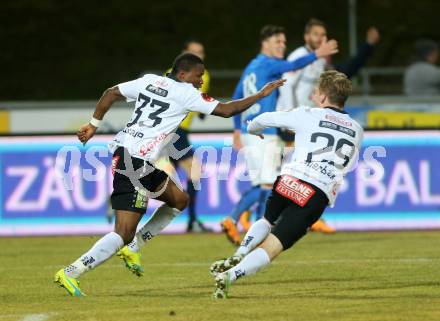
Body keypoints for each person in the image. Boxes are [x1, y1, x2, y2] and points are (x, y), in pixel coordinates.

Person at [53, 52, 286, 296]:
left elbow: (110, 92)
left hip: (131, 157)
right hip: (134, 163)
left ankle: (133, 246)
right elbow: (227, 110)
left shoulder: (149, 81)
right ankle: (71, 272)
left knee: (179, 200)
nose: (200, 81)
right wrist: (260, 95)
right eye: (198, 76)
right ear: (183, 74)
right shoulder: (186, 93)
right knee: (122, 232)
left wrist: (93, 125)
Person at [210, 70, 363, 299]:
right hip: (316, 192)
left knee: (266, 219)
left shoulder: (307, 114)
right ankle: (230, 276)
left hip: (290, 179)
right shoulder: (357, 130)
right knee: (273, 246)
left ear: (323, 98)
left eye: (316, 92)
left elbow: (263, 119)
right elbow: (348, 164)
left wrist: (254, 130)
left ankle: (240, 251)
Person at [220, 25, 338, 245]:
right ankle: (250, 229)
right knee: (268, 184)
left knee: (262, 183)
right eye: (278, 42)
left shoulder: (251, 66)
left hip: (249, 131)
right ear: (265, 43)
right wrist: (317, 55)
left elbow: (236, 96)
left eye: (284, 42)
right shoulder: (268, 63)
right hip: (265, 132)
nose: (282, 45)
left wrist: (237, 129)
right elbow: (292, 65)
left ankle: (235, 219)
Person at [275, 18, 379, 234]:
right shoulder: (298, 57)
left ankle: (301, 216)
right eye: (316, 35)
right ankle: (273, 216)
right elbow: (286, 87)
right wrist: (290, 117)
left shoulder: (320, 60)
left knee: (306, 171)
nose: (321, 39)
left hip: (310, 125)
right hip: (296, 123)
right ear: (307, 37)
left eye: (323, 35)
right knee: (291, 171)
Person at [160, 38, 212, 232]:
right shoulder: (174, 74)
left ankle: (121, 196)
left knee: (158, 177)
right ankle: (192, 221)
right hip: (174, 130)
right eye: (195, 51)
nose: (199, 55)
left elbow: (199, 102)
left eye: (202, 52)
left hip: (180, 131)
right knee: (194, 171)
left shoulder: (204, 76)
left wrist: (203, 111)